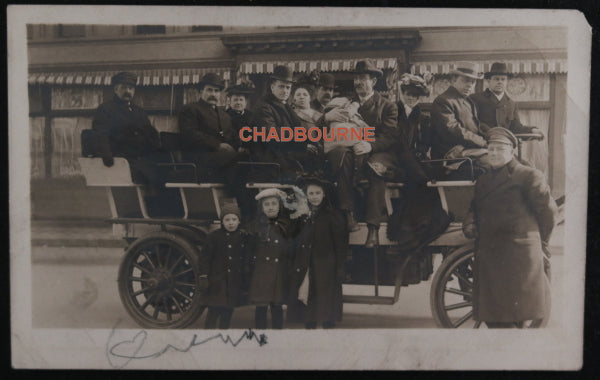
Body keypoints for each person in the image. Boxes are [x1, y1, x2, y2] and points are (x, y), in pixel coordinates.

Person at [462, 127, 558, 328]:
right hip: (490, 254)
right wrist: (469, 221)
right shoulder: (483, 180)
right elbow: (475, 207)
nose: (494, 154)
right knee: (494, 316)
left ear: (511, 150)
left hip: (518, 255)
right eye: (490, 149)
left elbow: (548, 212)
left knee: (514, 316)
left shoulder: (528, 176)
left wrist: (542, 242)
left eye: (499, 149)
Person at [322, 59, 407, 247]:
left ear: (373, 82)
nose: (358, 83)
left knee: (375, 167)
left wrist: (370, 146)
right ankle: (349, 213)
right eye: (356, 79)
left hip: (379, 151)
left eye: (363, 79)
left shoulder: (387, 106)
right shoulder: (347, 104)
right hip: (353, 149)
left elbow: (390, 137)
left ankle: (373, 228)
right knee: (341, 156)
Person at [178, 73, 252, 218]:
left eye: (217, 91)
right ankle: (241, 213)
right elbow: (190, 135)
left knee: (249, 160)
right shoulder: (191, 110)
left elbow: (232, 137)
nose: (213, 94)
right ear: (201, 92)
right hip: (200, 160)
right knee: (238, 167)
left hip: (223, 160)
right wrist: (217, 145)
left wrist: (243, 146)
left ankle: (246, 211)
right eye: (209, 90)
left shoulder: (224, 115)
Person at [289, 177, 348, 329]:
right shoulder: (302, 215)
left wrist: (340, 267)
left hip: (326, 265)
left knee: (326, 301)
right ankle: (310, 326)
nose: (314, 197)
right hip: (306, 264)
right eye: (311, 193)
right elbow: (294, 239)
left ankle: (328, 327)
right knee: (308, 298)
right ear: (306, 195)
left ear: (324, 194)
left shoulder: (332, 216)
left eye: (317, 193)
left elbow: (340, 244)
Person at [91, 71, 161, 189]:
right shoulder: (105, 110)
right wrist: (108, 159)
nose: (128, 91)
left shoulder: (139, 111)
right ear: (115, 89)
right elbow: (100, 135)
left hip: (141, 159)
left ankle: (156, 206)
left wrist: (157, 149)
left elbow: (150, 134)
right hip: (121, 161)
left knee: (167, 175)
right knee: (156, 179)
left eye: (131, 88)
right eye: (124, 88)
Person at [251, 65, 321, 183]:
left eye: (288, 87)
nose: (285, 91)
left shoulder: (285, 106)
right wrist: (302, 146)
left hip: (286, 153)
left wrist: (313, 142)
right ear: (272, 87)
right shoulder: (264, 107)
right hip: (270, 158)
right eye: (281, 86)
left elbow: (299, 131)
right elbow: (272, 135)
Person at [248, 188, 297, 329]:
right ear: (261, 208)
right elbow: (250, 250)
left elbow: (291, 249)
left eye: (274, 204)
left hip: (279, 273)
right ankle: (260, 336)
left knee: (277, 306)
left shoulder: (286, 225)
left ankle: (277, 335)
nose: (270, 207)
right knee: (261, 307)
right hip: (261, 273)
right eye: (267, 204)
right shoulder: (256, 226)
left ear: (280, 206)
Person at [430, 62, 490, 176]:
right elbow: (452, 129)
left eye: (473, 82)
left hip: (468, 151)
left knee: (512, 159)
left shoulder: (468, 101)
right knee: (495, 162)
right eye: (465, 80)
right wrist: (481, 142)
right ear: (453, 80)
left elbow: (476, 127)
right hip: (451, 155)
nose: (470, 85)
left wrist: (492, 135)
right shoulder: (443, 101)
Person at [199, 203, 250, 329]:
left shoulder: (243, 237)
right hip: (217, 282)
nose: (231, 223)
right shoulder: (213, 237)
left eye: (234, 219)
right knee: (214, 310)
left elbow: (246, 258)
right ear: (222, 221)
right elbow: (205, 258)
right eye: (227, 220)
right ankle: (207, 334)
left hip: (233, 282)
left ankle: (223, 333)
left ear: (239, 221)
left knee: (228, 311)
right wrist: (204, 276)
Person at [470, 62, 543, 136]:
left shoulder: (511, 104)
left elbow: (516, 128)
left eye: (503, 79)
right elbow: (472, 123)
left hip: (505, 144)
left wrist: (532, 130)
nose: (500, 82)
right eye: (496, 79)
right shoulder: (476, 99)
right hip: (482, 142)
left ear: (507, 82)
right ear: (489, 81)